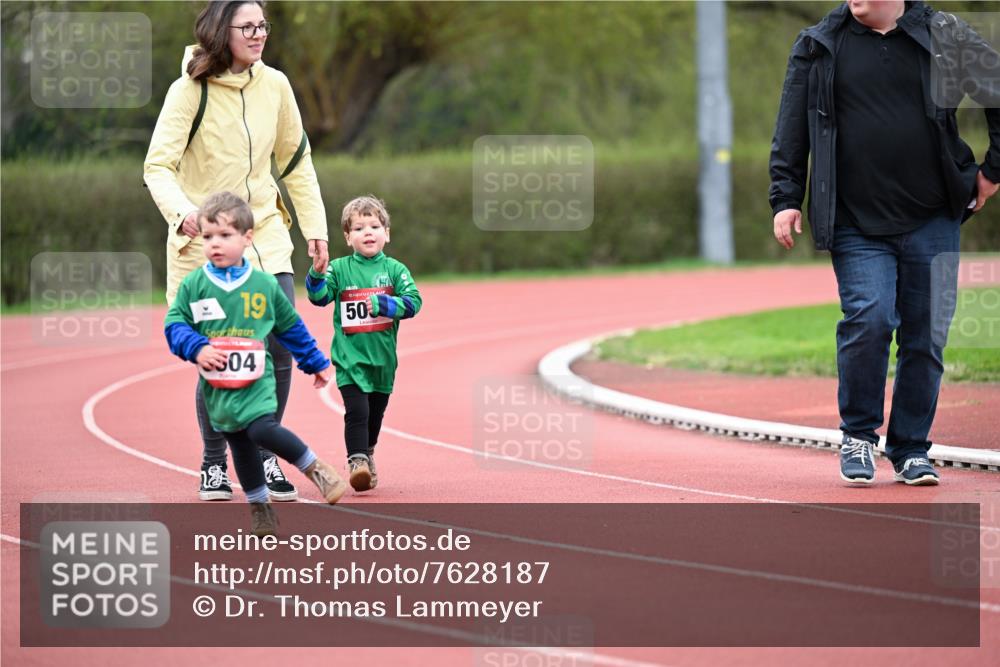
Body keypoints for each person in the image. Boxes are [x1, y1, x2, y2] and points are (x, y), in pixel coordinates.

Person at [769, 0, 1000, 485]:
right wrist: (785, 198)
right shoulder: (818, 44)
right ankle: (858, 434)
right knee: (869, 318)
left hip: (933, 217)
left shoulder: (945, 35)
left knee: (926, 335)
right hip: (855, 222)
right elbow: (791, 128)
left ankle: (911, 447)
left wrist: (993, 171)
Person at [144, 1, 330, 502]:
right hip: (206, 239)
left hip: (264, 231)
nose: (258, 34)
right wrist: (184, 213)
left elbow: (296, 162)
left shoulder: (277, 86)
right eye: (247, 26)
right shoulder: (189, 90)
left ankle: (266, 453)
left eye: (262, 25)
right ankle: (213, 463)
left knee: (279, 342)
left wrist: (315, 227)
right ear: (220, 31)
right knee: (226, 352)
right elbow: (157, 166)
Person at [164, 193, 348, 536]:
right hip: (219, 388)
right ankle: (260, 508)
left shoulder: (263, 285)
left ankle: (315, 468)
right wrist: (197, 347)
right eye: (208, 236)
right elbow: (174, 325)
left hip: (257, 381)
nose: (215, 244)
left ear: (247, 238)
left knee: (262, 429)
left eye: (225, 235)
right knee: (240, 445)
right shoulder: (195, 285)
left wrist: (314, 361)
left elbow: (290, 326)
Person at [306, 196, 422, 492]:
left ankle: (368, 452)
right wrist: (316, 274)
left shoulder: (396, 270)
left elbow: (414, 303)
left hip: (383, 361)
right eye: (358, 228)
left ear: (387, 233)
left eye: (374, 226)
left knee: (375, 414)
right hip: (350, 360)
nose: (367, 232)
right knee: (357, 411)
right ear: (348, 237)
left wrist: (384, 304)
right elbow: (319, 298)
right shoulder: (339, 269)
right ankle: (357, 461)